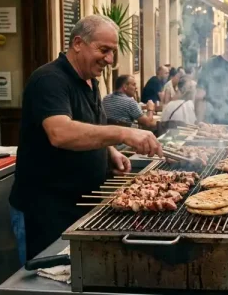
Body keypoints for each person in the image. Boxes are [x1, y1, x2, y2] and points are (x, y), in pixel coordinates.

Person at [9, 15, 162, 260]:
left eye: (113, 52)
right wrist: (122, 133)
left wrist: (109, 151)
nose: (110, 60)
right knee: (44, 284)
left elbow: (90, 126)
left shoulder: (90, 80)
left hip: (81, 205)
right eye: (104, 50)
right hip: (46, 210)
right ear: (78, 43)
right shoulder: (49, 80)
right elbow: (61, 133)